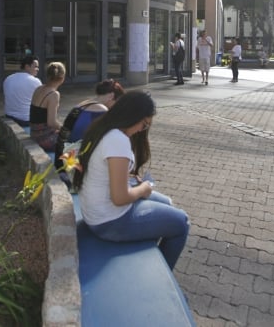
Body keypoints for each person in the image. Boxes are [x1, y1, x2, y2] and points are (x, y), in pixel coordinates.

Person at [73, 91, 190, 270]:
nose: (141, 130)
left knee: (167, 203)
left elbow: (102, 172)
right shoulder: (117, 140)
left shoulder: (102, 129)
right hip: (109, 221)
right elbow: (119, 198)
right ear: (133, 117)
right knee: (182, 222)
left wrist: (129, 179)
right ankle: (164, 278)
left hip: (95, 212)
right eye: (144, 125)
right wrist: (143, 189)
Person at [29, 61, 66, 153]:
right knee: (75, 142)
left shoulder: (39, 88)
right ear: (62, 78)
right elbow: (51, 122)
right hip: (43, 138)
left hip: (34, 132)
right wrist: (65, 129)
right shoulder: (54, 94)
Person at [2, 55, 41, 128]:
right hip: (26, 120)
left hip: (9, 116)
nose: (37, 69)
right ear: (27, 66)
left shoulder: (8, 78)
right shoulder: (35, 81)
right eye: (35, 67)